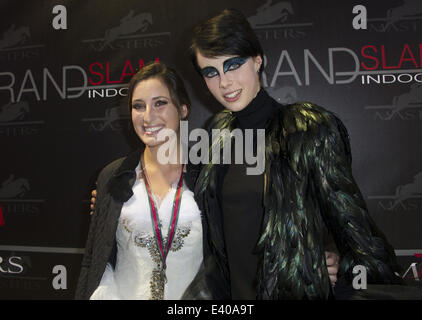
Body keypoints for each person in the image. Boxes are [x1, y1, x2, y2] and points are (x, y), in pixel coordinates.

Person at [186, 8, 409, 300]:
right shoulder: (217, 135)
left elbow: (353, 226)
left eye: (233, 64)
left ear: (257, 60)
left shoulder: (306, 128)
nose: (224, 82)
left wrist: (340, 265)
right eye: (211, 72)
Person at [75, 62, 206, 300]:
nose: (147, 117)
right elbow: (96, 260)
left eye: (160, 103)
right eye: (138, 106)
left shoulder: (210, 174)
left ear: (183, 108)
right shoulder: (113, 176)